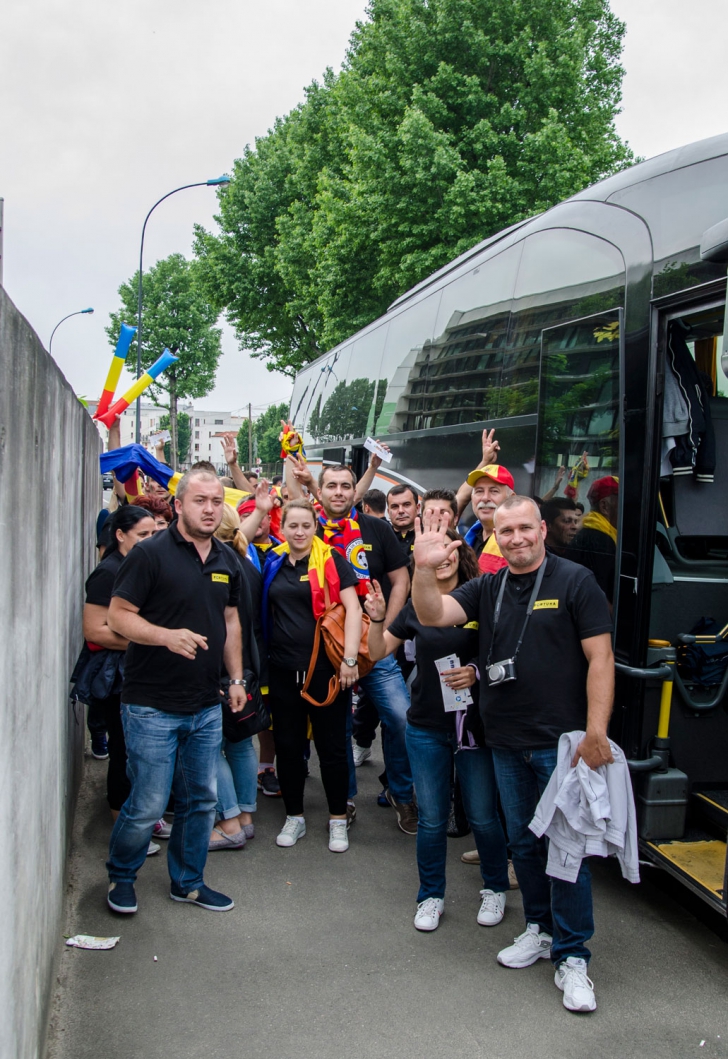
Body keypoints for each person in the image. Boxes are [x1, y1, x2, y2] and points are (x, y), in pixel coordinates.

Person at [412, 498, 614, 1013]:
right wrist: (421, 568)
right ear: (494, 536)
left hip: (562, 746)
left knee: (566, 851)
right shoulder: (488, 586)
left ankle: (574, 958)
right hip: (505, 741)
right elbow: (432, 614)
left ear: (543, 529)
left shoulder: (575, 581)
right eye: (506, 531)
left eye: (525, 527)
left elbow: (601, 658)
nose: (517, 537)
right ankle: (540, 931)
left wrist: (596, 733)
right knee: (524, 845)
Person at [105, 468, 246, 915]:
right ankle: (121, 878)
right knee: (147, 804)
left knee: (201, 801)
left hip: (205, 704)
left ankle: (187, 882)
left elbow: (230, 622)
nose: (209, 508)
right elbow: (118, 616)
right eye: (200, 500)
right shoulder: (149, 554)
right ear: (179, 504)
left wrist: (237, 679)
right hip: (150, 706)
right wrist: (165, 635)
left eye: (216, 501)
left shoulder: (227, 559)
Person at [365, 531, 510, 932]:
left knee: (482, 816)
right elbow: (377, 652)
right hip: (426, 726)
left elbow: (506, 650)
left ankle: (495, 888)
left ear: (460, 554)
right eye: (433, 552)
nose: (442, 557)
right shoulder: (416, 605)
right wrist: (377, 618)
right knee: (431, 819)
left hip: (474, 727)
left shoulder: (479, 596)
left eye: (450, 549)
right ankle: (430, 896)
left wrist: (476, 672)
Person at [313, 465, 417, 834]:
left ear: (354, 491)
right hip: (327, 647)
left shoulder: (376, 528)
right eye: (331, 486)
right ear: (320, 491)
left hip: (373, 645)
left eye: (345, 485)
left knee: (402, 719)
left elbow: (401, 579)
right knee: (337, 727)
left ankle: (400, 793)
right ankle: (347, 800)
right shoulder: (308, 529)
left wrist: (386, 626)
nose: (339, 492)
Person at [262, 499, 362, 853]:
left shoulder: (332, 560)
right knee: (288, 748)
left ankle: (337, 819)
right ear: (283, 528)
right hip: (282, 670)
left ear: (315, 528)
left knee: (332, 748)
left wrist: (349, 659)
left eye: (307, 525)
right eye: (293, 526)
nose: (300, 532)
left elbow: (354, 609)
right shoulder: (272, 562)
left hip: (326, 672)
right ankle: (295, 816)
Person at [81, 507, 157, 830]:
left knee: (142, 751)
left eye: (154, 534)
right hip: (116, 679)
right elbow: (94, 631)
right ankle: (120, 823)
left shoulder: (141, 565)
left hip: (139, 672)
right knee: (123, 750)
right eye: (142, 535)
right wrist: (152, 639)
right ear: (120, 535)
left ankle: (141, 818)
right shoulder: (108, 572)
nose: (150, 541)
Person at [206, 504, 262, 851]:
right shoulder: (247, 563)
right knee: (240, 743)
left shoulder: (219, 565)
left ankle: (229, 821)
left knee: (210, 747)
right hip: (247, 667)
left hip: (222, 669)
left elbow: (222, 625)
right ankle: (245, 816)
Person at [569, 476, 619, 606]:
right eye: (623, 503)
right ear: (604, 507)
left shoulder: (593, 531)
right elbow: (599, 596)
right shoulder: (600, 540)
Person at [462, 464, 514, 574]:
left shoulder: (518, 542)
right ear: (472, 498)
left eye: (494, 491)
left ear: (511, 498)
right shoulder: (468, 539)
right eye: (479, 491)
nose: (485, 498)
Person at [387, 484, 419, 555]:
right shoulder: (382, 538)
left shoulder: (428, 535)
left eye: (406, 504)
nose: (401, 511)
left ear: (417, 508)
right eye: (395, 506)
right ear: (388, 512)